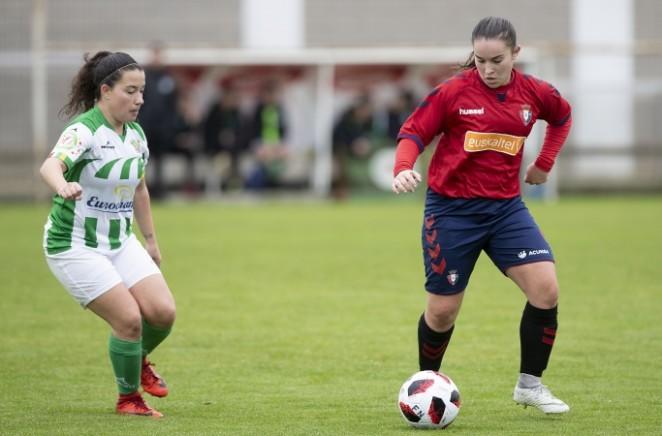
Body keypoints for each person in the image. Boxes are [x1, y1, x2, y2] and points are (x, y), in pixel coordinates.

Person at [392, 17, 572, 414]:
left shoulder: (534, 92)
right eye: (480, 60)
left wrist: (544, 162)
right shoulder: (453, 93)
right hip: (452, 211)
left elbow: (561, 116)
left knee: (546, 289)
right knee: (442, 312)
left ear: (515, 55)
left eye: (497, 60)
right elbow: (413, 132)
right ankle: (426, 388)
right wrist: (403, 167)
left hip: (506, 209)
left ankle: (530, 386)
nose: (488, 69)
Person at [41, 51, 176, 418]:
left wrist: (150, 240)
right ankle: (128, 399)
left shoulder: (135, 135)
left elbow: (139, 189)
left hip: (119, 241)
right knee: (129, 320)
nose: (139, 100)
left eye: (142, 92)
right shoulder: (84, 130)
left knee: (162, 313)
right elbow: (51, 164)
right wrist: (62, 185)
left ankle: (139, 357)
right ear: (105, 91)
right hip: (74, 245)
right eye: (130, 91)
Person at [137, 42, 179, 198]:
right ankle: (144, 189)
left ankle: (160, 189)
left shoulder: (168, 78)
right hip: (146, 125)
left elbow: (173, 104)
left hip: (163, 127)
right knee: (144, 159)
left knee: (161, 159)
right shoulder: (143, 77)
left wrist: (171, 124)